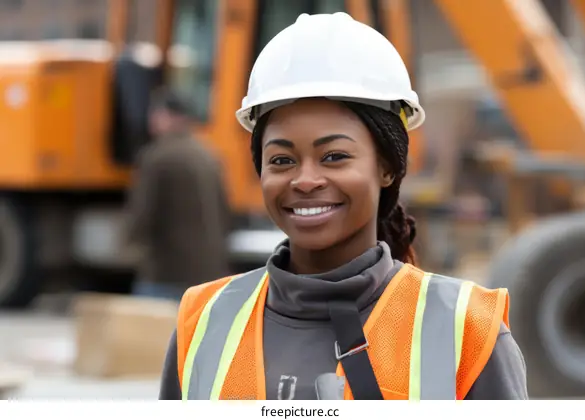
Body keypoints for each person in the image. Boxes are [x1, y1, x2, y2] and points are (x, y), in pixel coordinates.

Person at [158, 13, 527, 400]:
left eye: (333, 156)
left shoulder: (465, 329)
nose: (305, 179)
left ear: (387, 167)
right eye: (282, 160)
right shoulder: (202, 322)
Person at [124, 87, 231, 301]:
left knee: (155, 332)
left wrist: (130, 252)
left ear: (167, 116)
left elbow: (142, 214)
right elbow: (225, 211)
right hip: (208, 272)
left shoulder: (157, 157)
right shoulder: (208, 154)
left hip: (167, 272)